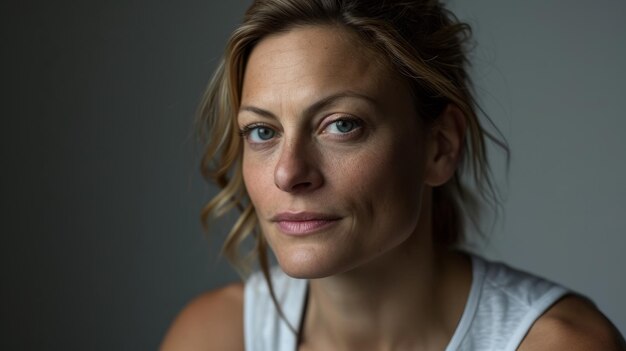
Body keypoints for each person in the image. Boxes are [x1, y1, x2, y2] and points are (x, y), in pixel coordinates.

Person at [161, 1, 625, 350]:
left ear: (439, 147)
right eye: (262, 131)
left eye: (341, 125)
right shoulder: (213, 337)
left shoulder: (560, 344)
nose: (288, 173)